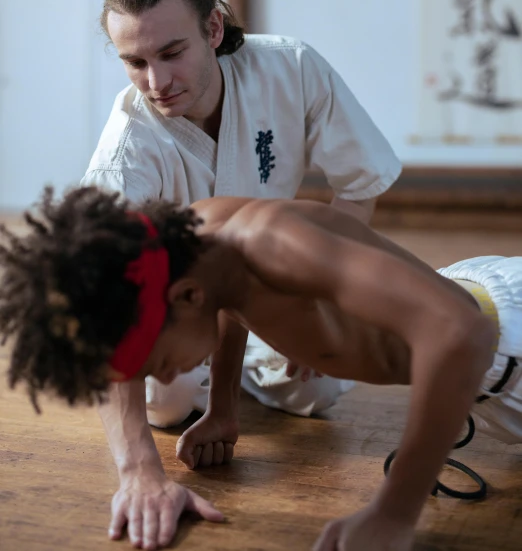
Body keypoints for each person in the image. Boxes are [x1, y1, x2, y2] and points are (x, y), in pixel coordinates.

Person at [79, 0, 402, 540]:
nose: (157, 81)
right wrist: (138, 469)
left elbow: (361, 180)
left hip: (273, 274)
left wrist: (320, 293)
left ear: (213, 28)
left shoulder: (289, 67)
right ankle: (209, 381)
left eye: (172, 51)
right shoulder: (127, 154)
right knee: (169, 404)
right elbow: (108, 311)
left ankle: (243, 371)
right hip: (181, 304)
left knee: (324, 389)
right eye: (135, 62)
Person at [2, 187, 518, 551]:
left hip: (504, 347)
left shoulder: (272, 242)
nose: (163, 379)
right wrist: (223, 407)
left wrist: (393, 513)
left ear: (185, 297)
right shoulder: (203, 242)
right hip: (482, 338)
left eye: (157, 363)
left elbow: (460, 333)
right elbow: (227, 304)